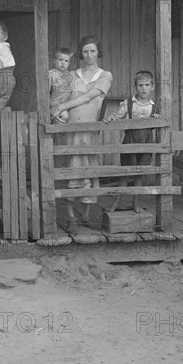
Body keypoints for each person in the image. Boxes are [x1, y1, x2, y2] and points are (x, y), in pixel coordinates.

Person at [51, 36, 113, 234]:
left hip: (89, 131)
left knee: (89, 171)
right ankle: (70, 217)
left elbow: (88, 97)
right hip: (70, 131)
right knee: (71, 171)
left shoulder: (105, 76)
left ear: (98, 52)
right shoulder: (71, 75)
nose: (88, 55)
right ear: (80, 53)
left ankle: (85, 214)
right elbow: (59, 96)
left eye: (92, 51)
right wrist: (59, 111)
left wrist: (62, 106)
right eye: (85, 51)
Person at [103, 70, 160, 213]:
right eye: (140, 85)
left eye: (147, 85)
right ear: (136, 87)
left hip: (147, 142)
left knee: (139, 174)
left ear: (152, 87)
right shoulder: (128, 103)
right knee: (125, 173)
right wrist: (110, 119)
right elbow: (117, 117)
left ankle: (136, 203)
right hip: (130, 140)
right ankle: (115, 203)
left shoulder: (154, 106)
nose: (144, 88)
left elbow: (156, 124)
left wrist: (156, 119)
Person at [49, 47, 74, 124]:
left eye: (66, 61)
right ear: (55, 61)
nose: (63, 63)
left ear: (69, 64)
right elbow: (45, 93)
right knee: (65, 116)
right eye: (60, 60)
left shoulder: (70, 76)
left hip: (66, 106)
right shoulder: (51, 74)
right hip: (55, 106)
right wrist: (49, 109)